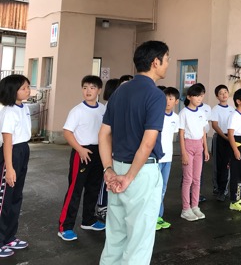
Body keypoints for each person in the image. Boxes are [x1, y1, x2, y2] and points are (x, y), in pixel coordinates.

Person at [98, 40, 169, 265]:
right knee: (139, 240)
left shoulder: (120, 91)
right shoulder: (156, 95)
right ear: (156, 62)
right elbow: (148, 143)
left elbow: (104, 134)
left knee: (115, 236)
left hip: (117, 167)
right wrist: (129, 177)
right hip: (141, 172)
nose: (167, 64)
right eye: (166, 60)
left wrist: (108, 169)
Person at [58, 75, 106, 241]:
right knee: (75, 190)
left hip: (98, 152)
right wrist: (80, 149)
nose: (88, 91)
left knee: (94, 188)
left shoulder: (103, 109)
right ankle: (65, 227)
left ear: (99, 90)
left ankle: (89, 220)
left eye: (92, 88)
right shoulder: (77, 110)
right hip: (82, 152)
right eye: (85, 87)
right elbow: (67, 132)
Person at [0, 75, 32, 258]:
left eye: (28, 87)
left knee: (16, 197)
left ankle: (9, 237)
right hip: (10, 153)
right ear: (13, 91)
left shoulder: (24, 108)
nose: (28, 90)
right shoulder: (9, 111)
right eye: (23, 88)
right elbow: (7, 142)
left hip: (22, 150)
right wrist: (9, 168)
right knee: (4, 200)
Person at [178, 84, 209, 221]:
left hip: (199, 146)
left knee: (197, 178)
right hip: (188, 145)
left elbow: (203, 131)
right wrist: (183, 152)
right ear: (189, 97)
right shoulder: (184, 113)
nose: (199, 98)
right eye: (196, 96)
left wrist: (205, 149)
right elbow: (181, 133)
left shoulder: (201, 112)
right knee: (188, 179)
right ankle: (186, 208)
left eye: (201, 96)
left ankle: (195, 206)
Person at [95, 78, 121, 222]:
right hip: (108, 148)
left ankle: (106, 207)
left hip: (114, 148)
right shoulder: (111, 105)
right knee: (105, 178)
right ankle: (102, 207)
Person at [157, 87, 179, 230]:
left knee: (163, 188)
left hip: (168, 158)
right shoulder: (157, 115)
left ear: (176, 101)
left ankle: (159, 216)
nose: (167, 101)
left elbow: (172, 135)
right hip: (156, 158)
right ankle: (152, 217)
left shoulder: (176, 118)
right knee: (154, 188)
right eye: (165, 98)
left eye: (171, 99)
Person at [210, 84, 234, 202]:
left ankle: (224, 189)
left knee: (227, 164)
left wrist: (231, 138)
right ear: (217, 96)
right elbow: (214, 125)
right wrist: (225, 137)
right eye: (221, 93)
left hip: (230, 138)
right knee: (218, 164)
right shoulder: (215, 109)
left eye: (225, 92)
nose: (224, 95)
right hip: (219, 138)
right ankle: (217, 188)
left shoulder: (232, 109)